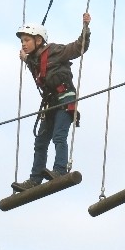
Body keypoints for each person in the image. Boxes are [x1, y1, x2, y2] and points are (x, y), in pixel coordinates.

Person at [11, 12, 91, 192]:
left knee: (58, 136)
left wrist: (86, 27)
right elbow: (33, 62)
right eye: (22, 41)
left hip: (64, 100)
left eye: (26, 40)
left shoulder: (55, 51)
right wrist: (26, 58)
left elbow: (79, 47)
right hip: (50, 104)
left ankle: (60, 170)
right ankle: (35, 178)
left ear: (38, 41)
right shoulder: (32, 60)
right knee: (40, 142)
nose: (23, 44)